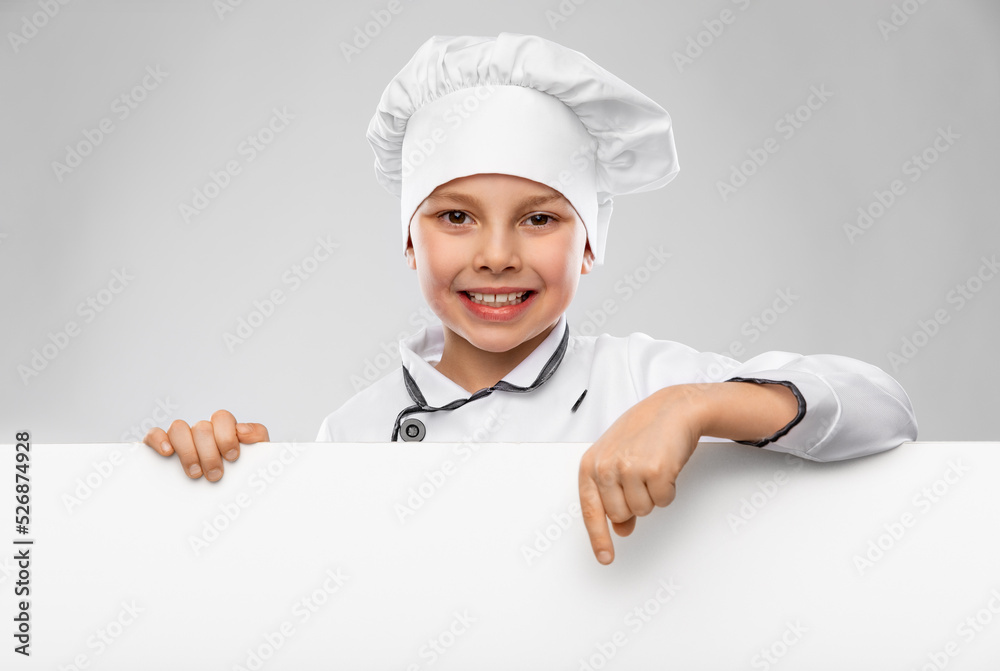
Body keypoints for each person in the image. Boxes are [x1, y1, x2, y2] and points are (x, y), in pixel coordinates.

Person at [143, 33, 918, 565]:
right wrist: (210, 484)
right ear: (409, 239)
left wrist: (694, 407)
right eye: (455, 216)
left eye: (540, 218)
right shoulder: (349, 432)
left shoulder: (644, 383)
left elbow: (884, 410)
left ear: (589, 242)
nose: (497, 254)